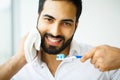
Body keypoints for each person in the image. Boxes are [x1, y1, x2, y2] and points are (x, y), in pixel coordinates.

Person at [0, 0, 120, 80]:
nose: (55, 32)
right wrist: (18, 60)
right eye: (49, 19)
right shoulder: (17, 67)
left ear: (75, 26)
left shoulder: (103, 63)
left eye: (66, 23)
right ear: (38, 18)